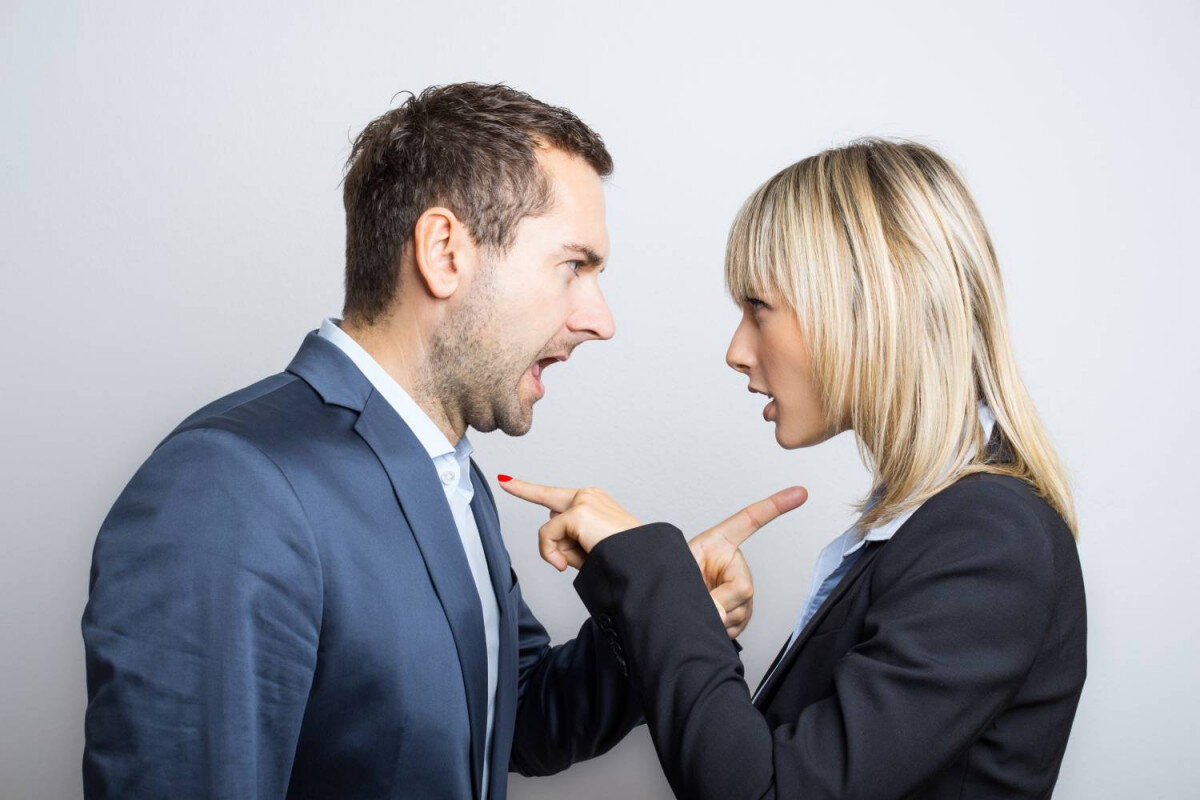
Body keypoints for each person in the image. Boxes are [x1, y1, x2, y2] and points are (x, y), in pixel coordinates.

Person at [80, 82, 762, 800]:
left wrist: (670, 614)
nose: (600, 319)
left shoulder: (449, 473)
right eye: (574, 266)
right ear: (444, 253)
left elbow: (513, 717)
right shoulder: (227, 485)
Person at [501, 139, 1087, 799]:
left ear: (866, 308)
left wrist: (651, 575)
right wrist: (681, 608)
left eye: (758, 308)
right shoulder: (935, 529)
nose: (736, 350)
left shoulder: (988, 537)